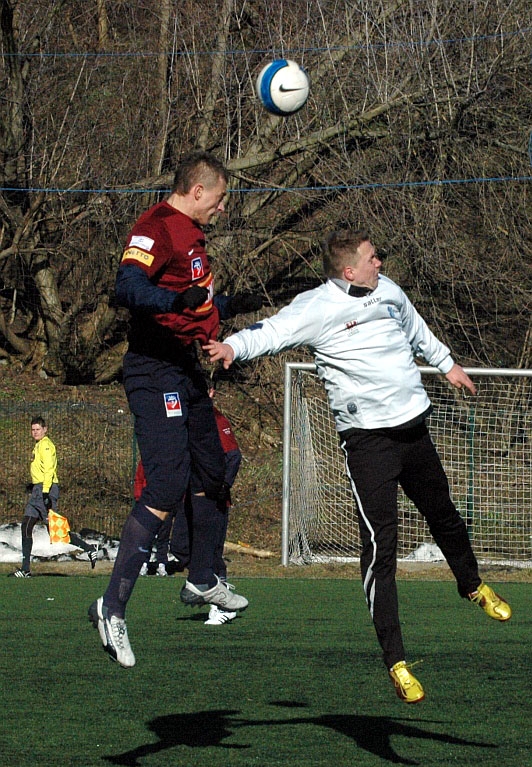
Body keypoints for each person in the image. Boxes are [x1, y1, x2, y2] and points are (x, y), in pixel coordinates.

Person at [204, 228, 512, 703]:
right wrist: (232, 347)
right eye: (373, 257)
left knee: (444, 514)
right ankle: (397, 661)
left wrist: (447, 364)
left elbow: (416, 328)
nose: (380, 263)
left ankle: (472, 586)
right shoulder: (317, 306)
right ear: (349, 270)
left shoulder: (388, 291)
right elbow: (273, 332)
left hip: (414, 430)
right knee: (380, 547)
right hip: (369, 443)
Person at [88, 151, 259, 668]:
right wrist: (176, 304)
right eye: (222, 198)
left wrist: (241, 302)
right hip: (152, 370)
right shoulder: (157, 225)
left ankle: (203, 578)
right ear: (199, 191)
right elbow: (128, 287)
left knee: (216, 466)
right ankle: (112, 608)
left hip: (184, 371)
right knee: (165, 484)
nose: (224, 209)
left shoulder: (195, 239)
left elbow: (199, 304)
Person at [170, 386, 243, 624]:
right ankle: (206, 582)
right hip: (187, 498)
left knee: (210, 552)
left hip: (211, 499)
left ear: (210, 392)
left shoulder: (215, 418)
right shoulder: (181, 419)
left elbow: (233, 455)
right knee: (180, 547)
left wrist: (221, 486)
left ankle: (223, 602)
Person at [11, 416, 98, 577]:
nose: (35, 432)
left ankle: (89, 549)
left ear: (45, 429)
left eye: (38, 429)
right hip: (38, 490)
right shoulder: (39, 445)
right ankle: (25, 569)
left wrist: (45, 492)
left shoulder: (46, 446)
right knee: (26, 526)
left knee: (56, 531)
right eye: (33, 429)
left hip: (45, 489)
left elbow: (49, 470)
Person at [133, 460, 172, 576]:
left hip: (165, 502)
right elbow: (139, 479)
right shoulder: (145, 461)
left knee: (163, 535)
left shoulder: (170, 461)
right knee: (146, 535)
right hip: (148, 501)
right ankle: (143, 563)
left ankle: (161, 564)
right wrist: (139, 497)